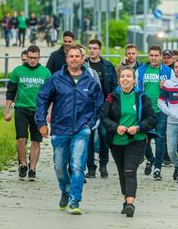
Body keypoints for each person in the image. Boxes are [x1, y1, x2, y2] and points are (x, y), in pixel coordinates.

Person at [35, 45, 104, 215]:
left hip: (81, 129)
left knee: (77, 165)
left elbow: (99, 104)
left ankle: (74, 200)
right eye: (71, 56)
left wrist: (89, 124)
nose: (74, 59)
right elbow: (42, 99)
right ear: (66, 59)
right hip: (60, 128)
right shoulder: (56, 79)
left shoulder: (90, 81)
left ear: (82, 59)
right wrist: (41, 123)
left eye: (77, 56)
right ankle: (65, 190)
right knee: (59, 166)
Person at [101, 66, 156, 217]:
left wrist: (138, 128)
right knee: (122, 172)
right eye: (122, 76)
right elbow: (104, 116)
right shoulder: (112, 97)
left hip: (136, 140)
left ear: (134, 80)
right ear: (119, 80)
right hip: (117, 141)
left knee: (129, 170)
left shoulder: (142, 98)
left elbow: (151, 118)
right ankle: (125, 199)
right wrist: (116, 127)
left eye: (128, 76)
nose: (125, 79)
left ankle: (131, 204)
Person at [4, 45, 51, 181]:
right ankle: (23, 164)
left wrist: (50, 112)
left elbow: (51, 94)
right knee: (21, 139)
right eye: (30, 57)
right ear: (26, 57)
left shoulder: (45, 72)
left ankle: (32, 169)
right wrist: (7, 111)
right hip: (21, 109)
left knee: (36, 141)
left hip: (39, 112)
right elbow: (10, 92)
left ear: (39, 57)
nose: (32, 60)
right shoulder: (18, 71)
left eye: (35, 58)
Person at [136, 45, 172, 180]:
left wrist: (167, 86)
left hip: (161, 110)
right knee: (143, 138)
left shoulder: (168, 71)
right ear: (148, 56)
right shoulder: (141, 71)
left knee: (160, 139)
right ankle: (150, 158)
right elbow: (136, 90)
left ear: (161, 56)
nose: (154, 58)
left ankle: (157, 168)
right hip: (146, 111)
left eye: (156, 55)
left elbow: (174, 90)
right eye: (151, 55)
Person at [85, 39, 118, 179]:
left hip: (105, 106)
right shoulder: (83, 66)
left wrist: (112, 103)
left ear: (100, 50)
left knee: (104, 135)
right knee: (88, 137)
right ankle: (91, 168)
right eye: (90, 48)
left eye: (95, 48)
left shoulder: (108, 66)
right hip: (88, 107)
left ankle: (103, 165)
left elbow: (115, 86)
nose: (92, 50)